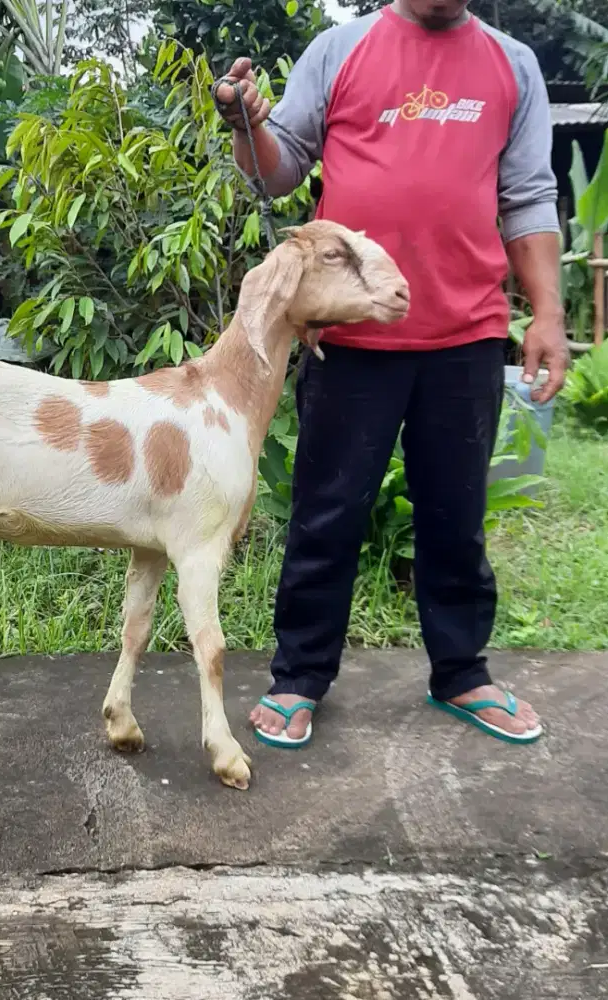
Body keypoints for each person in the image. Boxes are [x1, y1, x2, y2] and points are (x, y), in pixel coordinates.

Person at [212, 0, 568, 748]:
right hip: (350, 337)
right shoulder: (341, 50)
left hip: (465, 334)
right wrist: (245, 122)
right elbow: (278, 172)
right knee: (326, 510)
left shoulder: (513, 65)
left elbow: (528, 196)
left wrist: (547, 316)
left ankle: (462, 672)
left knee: (454, 514)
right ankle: (299, 676)